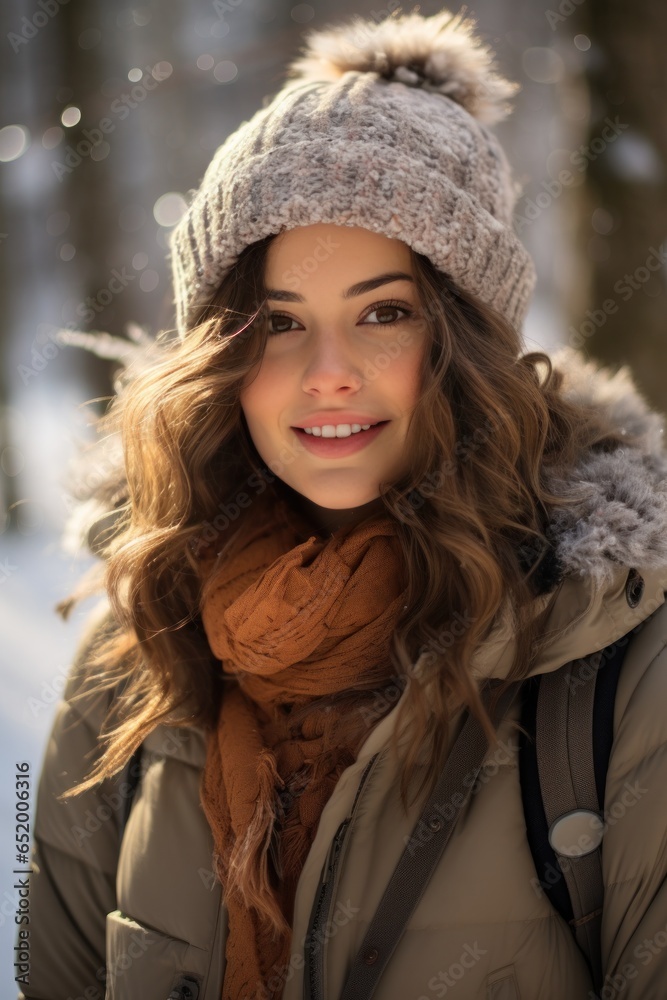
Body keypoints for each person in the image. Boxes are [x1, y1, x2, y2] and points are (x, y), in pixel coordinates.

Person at [19, 7, 667, 1000]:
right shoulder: (139, 644)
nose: (326, 375)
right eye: (277, 322)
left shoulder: (613, 651)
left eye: (383, 314)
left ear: (463, 343)